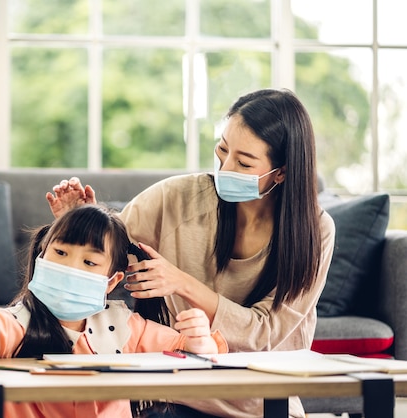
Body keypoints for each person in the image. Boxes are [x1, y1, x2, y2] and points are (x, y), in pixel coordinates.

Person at [46, 88, 336, 418]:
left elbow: (265, 335)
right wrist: (82, 226)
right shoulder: (177, 198)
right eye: (222, 150)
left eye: (243, 162)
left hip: (262, 400)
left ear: (281, 172)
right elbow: (105, 256)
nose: (225, 168)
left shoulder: (315, 231)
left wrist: (181, 283)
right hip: (175, 393)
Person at [0, 204, 228, 418]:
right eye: (60, 254)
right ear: (41, 256)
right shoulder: (20, 323)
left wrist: (202, 344)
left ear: (112, 282)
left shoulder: (124, 326)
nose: (72, 268)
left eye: (90, 262)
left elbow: (183, 348)